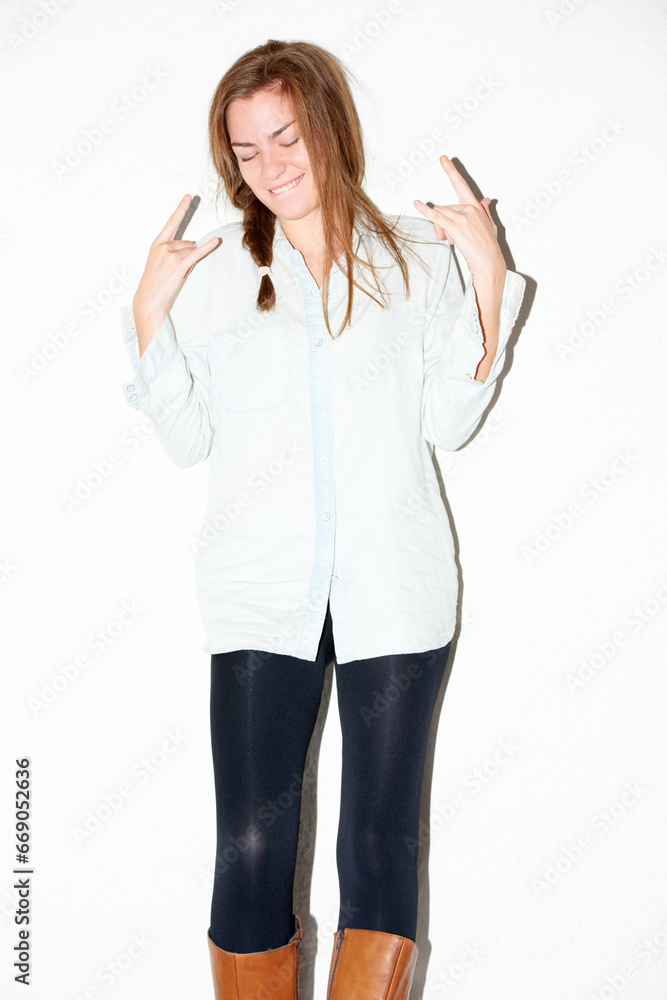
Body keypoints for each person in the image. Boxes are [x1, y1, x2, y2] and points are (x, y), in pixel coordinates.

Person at [119, 38, 525, 1000]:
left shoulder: (414, 257)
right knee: (251, 846)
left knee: (379, 844)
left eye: (286, 137)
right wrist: (147, 316)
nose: (270, 166)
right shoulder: (215, 273)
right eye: (246, 150)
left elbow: (452, 419)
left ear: (328, 128)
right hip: (261, 594)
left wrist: (486, 278)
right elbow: (186, 439)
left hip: (396, 588)